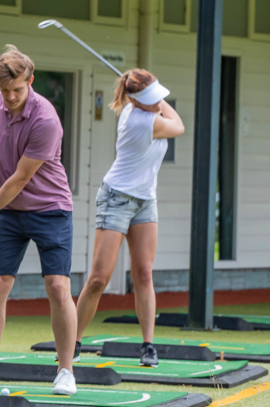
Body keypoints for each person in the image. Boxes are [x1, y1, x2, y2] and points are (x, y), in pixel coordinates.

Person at [0, 45, 78, 396]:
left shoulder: (46, 119)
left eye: (17, 90)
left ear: (30, 81)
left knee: (58, 287)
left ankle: (66, 370)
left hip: (50, 208)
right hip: (8, 210)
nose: (10, 97)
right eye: (4, 90)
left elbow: (20, 178)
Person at [74, 69, 184, 368]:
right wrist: (157, 101)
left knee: (144, 274)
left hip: (145, 201)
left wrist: (152, 94)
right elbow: (179, 126)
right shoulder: (141, 121)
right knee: (99, 279)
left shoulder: (143, 109)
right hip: (117, 198)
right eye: (151, 98)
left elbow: (166, 114)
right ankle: (73, 341)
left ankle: (148, 346)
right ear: (134, 101)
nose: (158, 102)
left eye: (159, 96)